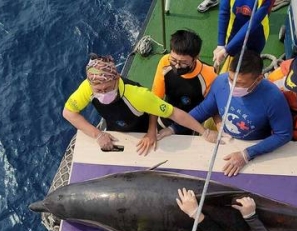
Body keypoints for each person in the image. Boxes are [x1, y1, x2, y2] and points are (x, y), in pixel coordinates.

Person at [62, 54, 211, 156]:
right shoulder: (86, 88)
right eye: (98, 90)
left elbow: (174, 113)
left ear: (117, 78)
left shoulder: (138, 95)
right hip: (116, 133)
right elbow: (69, 113)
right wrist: (98, 134)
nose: (102, 93)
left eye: (107, 88)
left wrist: (205, 132)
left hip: (142, 134)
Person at [189, 50, 293, 176]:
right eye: (231, 79)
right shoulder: (221, 82)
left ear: (259, 79)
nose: (232, 86)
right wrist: (172, 128)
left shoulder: (274, 98)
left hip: (256, 147)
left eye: (240, 83)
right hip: (225, 141)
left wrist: (247, 154)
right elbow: (203, 110)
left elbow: (283, 134)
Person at [150, 30, 217, 139]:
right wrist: (152, 129)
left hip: (190, 127)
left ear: (195, 58)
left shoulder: (209, 75)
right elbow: (155, 98)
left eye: (183, 62)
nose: (176, 66)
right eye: (173, 60)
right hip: (164, 120)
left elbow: (211, 108)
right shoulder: (165, 62)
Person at [212, 0, 274, 71]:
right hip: (234, 30)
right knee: (233, 59)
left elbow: (253, 23)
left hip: (258, 34)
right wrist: (221, 45)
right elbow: (224, 12)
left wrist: (226, 50)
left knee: (250, 61)